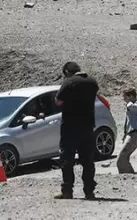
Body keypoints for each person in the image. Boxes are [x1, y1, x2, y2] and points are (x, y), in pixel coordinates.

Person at [54, 62, 99, 200]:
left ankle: (67, 190)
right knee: (88, 160)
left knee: (67, 159)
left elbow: (58, 101)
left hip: (70, 126)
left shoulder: (69, 82)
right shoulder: (92, 82)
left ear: (67, 72)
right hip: (87, 126)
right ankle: (89, 191)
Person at [117, 87, 137, 174]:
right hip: (130, 135)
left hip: (135, 135)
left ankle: (128, 175)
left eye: (125, 97)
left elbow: (132, 107)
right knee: (124, 158)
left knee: (121, 159)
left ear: (131, 96)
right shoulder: (130, 106)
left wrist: (129, 102)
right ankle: (130, 174)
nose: (124, 99)